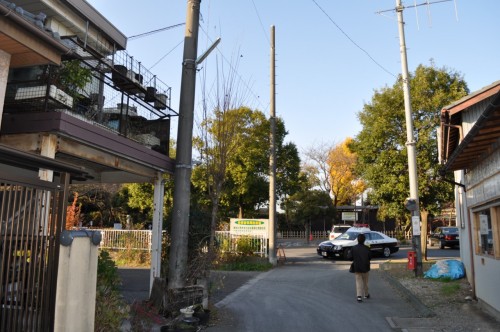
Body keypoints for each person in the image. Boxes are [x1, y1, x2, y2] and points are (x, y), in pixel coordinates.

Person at [349, 233, 372, 302]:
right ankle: (366, 294)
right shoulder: (367, 248)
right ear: (364, 240)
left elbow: (350, 258)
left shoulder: (353, 248)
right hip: (366, 267)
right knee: (365, 282)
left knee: (358, 281)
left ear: (357, 240)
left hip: (357, 267)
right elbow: (370, 257)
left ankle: (359, 296)